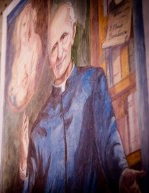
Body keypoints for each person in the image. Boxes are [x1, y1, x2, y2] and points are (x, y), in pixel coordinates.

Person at [19, 2, 145, 193]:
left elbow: (108, 137)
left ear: (74, 33)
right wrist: (23, 161)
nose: (60, 53)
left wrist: (121, 173)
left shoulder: (93, 81)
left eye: (63, 37)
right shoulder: (39, 126)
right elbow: (29, 185)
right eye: (53, 47)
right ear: (48, 59)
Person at [8, 3, 42, 112]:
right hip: (18, 92)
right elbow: (12, 84)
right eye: (23, 24)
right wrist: (15, 89)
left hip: (27, 94)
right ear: (19, 28)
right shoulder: (17, 54)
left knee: (22, 95)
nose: (26, 29)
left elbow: (33, 76)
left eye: (30, 24)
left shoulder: (35, 43)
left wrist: (24, 88)